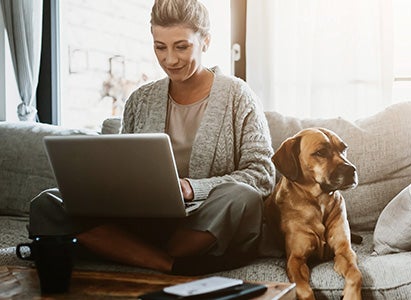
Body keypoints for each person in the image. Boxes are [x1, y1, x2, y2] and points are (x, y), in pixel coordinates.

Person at [28, 0, 275, 275]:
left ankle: (124, 250)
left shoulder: (238, 96)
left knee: (243, 198)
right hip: (142, 219)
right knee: (46, 204)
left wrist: (194, 188)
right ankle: (169, 264)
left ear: (205, 41)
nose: (170, 59)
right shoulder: (140, 100)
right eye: (160, 47)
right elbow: (122, 167)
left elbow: (262, 174)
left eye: (181, 46)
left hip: (204, 220)